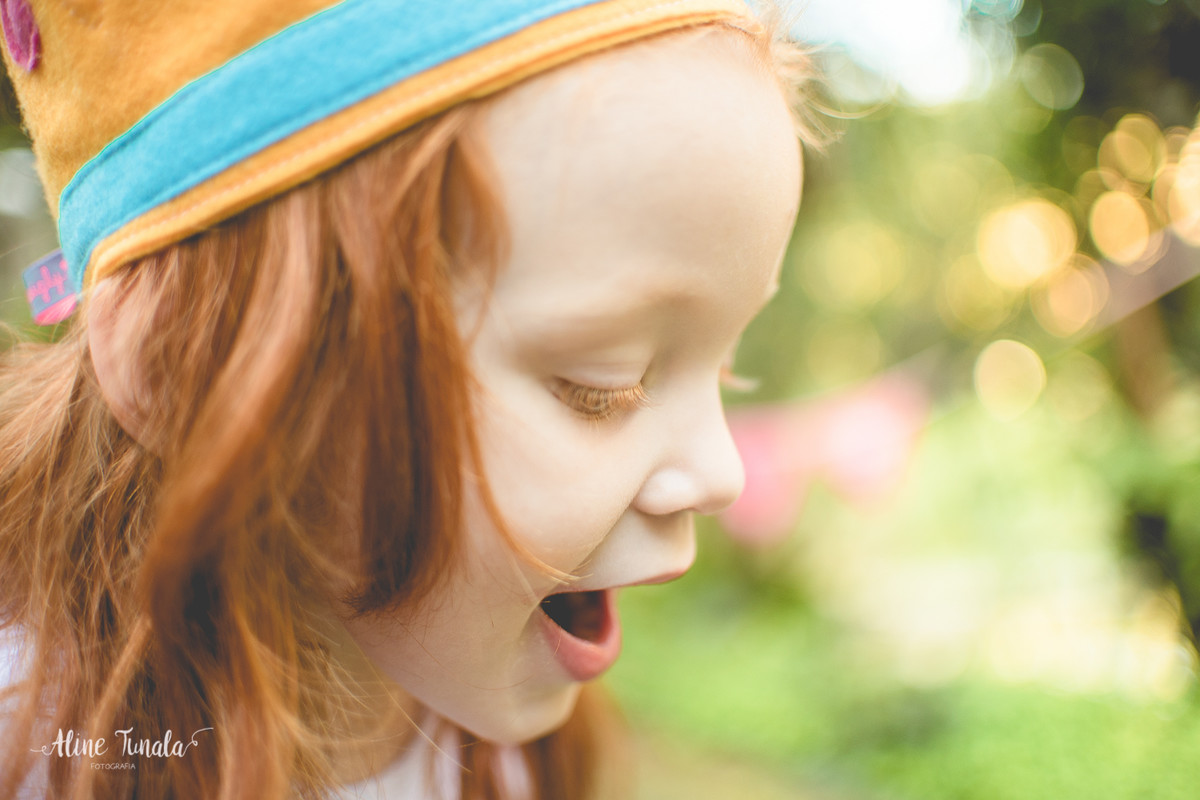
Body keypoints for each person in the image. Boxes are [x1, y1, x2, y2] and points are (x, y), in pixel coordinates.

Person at [0, 0, 817, 797]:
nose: (722, 473)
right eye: (601, 383)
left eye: (723, 369)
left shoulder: (502, 759)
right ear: (175, 364)